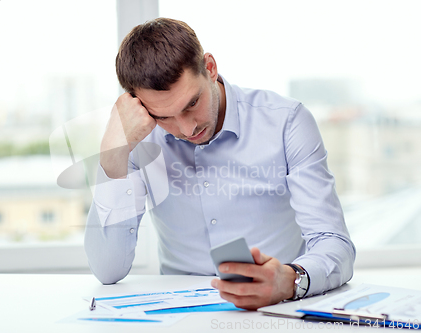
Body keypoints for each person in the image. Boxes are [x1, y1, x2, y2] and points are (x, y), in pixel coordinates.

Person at [84, 17, 355, 310]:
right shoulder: (138, 141)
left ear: (210, 68)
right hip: (179, 316)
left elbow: (334, 243)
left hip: (277, 310)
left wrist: (290, 280)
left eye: (191, 103)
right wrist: (112, 156)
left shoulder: (286, 122)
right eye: (164, 117)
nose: (187, 129)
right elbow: (107, 270)